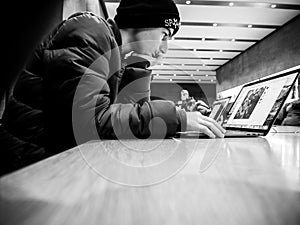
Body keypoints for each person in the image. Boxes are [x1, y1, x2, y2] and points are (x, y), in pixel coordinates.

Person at [10, 0, 225, 155]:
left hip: (53, 156)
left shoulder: (118, 56)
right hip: (28, 160)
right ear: (143, 21)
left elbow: (128, 116)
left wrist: (139, 64)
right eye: (164, 36)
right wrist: (177, 118)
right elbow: (90, 123)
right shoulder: (89, 32)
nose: (164, 49)